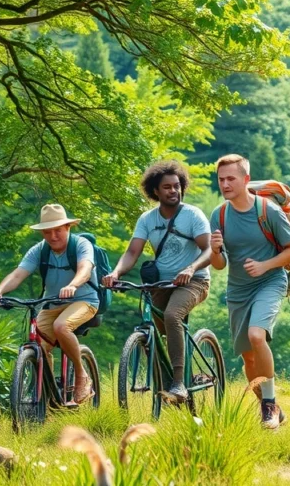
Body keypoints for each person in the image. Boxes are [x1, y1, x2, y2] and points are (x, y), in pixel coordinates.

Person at [102, 160, 212, 402]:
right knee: (155, 330)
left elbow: (209, 250)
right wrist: (115, 273)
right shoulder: (147, 219)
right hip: (161, 285)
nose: (173, 191)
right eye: (167, 187)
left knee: (172, 316)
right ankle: (167, 381)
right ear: (155, 191)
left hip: (194, 281)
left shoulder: (193, 215)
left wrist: (191, 268)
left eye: (177, 186)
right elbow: (132, 252)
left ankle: (179, 384)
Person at [209, 155, 290, 430]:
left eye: (231, 178)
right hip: (238, 289)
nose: (225, 184)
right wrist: (214, 249)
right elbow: (219, 265)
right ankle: (271, 406)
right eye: (221, 179)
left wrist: (265, 265)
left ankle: (269, 407)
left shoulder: (267, 211)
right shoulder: (219, 215)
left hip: (270, 281)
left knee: (256, 335)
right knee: (248, 358)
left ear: (246, 180)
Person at [0, 204, 100, 405]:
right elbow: (18, 274)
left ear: (68, 227)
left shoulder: (81, 245)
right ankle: (48, 398)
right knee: (38, 345)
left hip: (83, 300)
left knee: (61, 326)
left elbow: (85, 269)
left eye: (58, 230)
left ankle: (81, 375)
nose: (53, 236)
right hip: (51, 304)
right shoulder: (39, 250)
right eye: (47, 232)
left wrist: (72, 285)